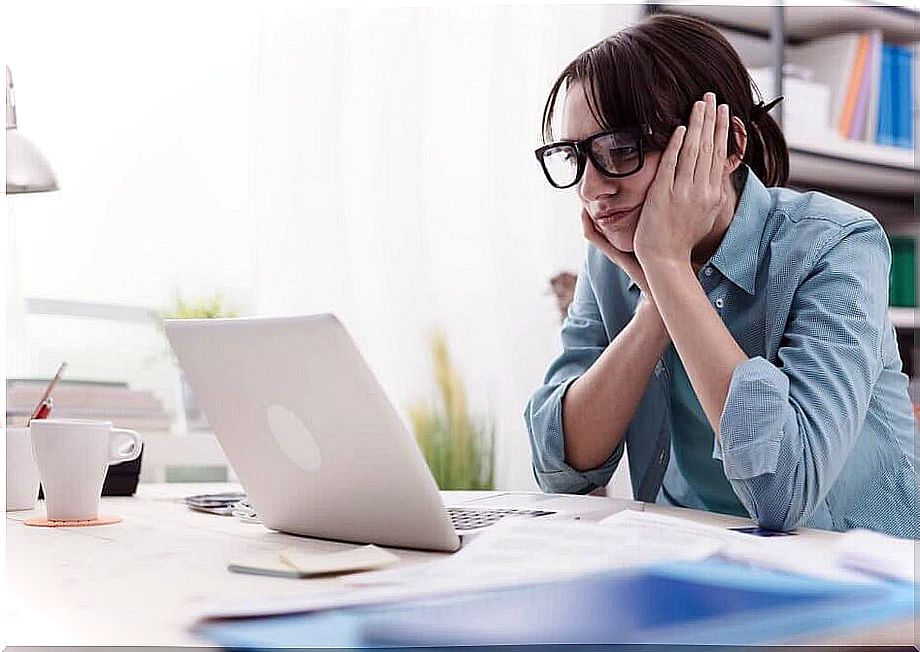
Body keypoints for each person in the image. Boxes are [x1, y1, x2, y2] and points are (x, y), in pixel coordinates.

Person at [524, 13, 918, 538]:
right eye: (575, 156)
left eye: (620, 150)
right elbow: (560, 468)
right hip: (695, 559)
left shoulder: (836, 245)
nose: (591, 188)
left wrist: (667, 269)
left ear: (728, 147)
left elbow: (785, 492)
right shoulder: (616, 256)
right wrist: (658, 297)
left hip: (860, 580)